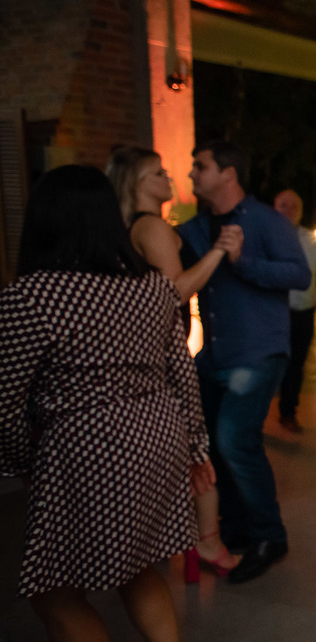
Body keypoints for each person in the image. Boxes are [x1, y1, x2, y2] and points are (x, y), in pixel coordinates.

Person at [0, 165, 213, 642]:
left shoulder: (32, 296)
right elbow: (180, 370)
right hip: (158, 433)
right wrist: (196, 449)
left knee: (53, 589)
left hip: (87, 444)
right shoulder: (150, 287)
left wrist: (23, 463)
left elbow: (4, 399)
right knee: (138, 566)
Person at [106, 146, 243, 580]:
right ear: (137, 185)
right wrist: (220, 251)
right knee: (196, 447)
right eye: (157, 173)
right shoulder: (153, 229)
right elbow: (176, 292)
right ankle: (206, 540)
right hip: (164, 351)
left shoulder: (128, 228)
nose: (169, 177)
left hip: (141, 350)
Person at [177, 140, 310, 584]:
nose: (192, 173)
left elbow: (298, 274)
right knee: (211, 444)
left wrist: (242, 259)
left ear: (228, 173)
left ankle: (269, 536)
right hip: (214, 353)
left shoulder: (266, 221)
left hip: (258, 351)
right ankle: (234, 528)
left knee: (235, 440)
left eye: (201, 166)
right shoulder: (195, 227)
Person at [273, 189, 316, 434]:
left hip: (302, 313)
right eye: (283, 204)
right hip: (271, 315)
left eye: (294, 205)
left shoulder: (312, 241)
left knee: (296, 365)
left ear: (301, 210)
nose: (288, 209)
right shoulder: (263, 238)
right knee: (269, 365)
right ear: (274, 208)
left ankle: (288, 412)